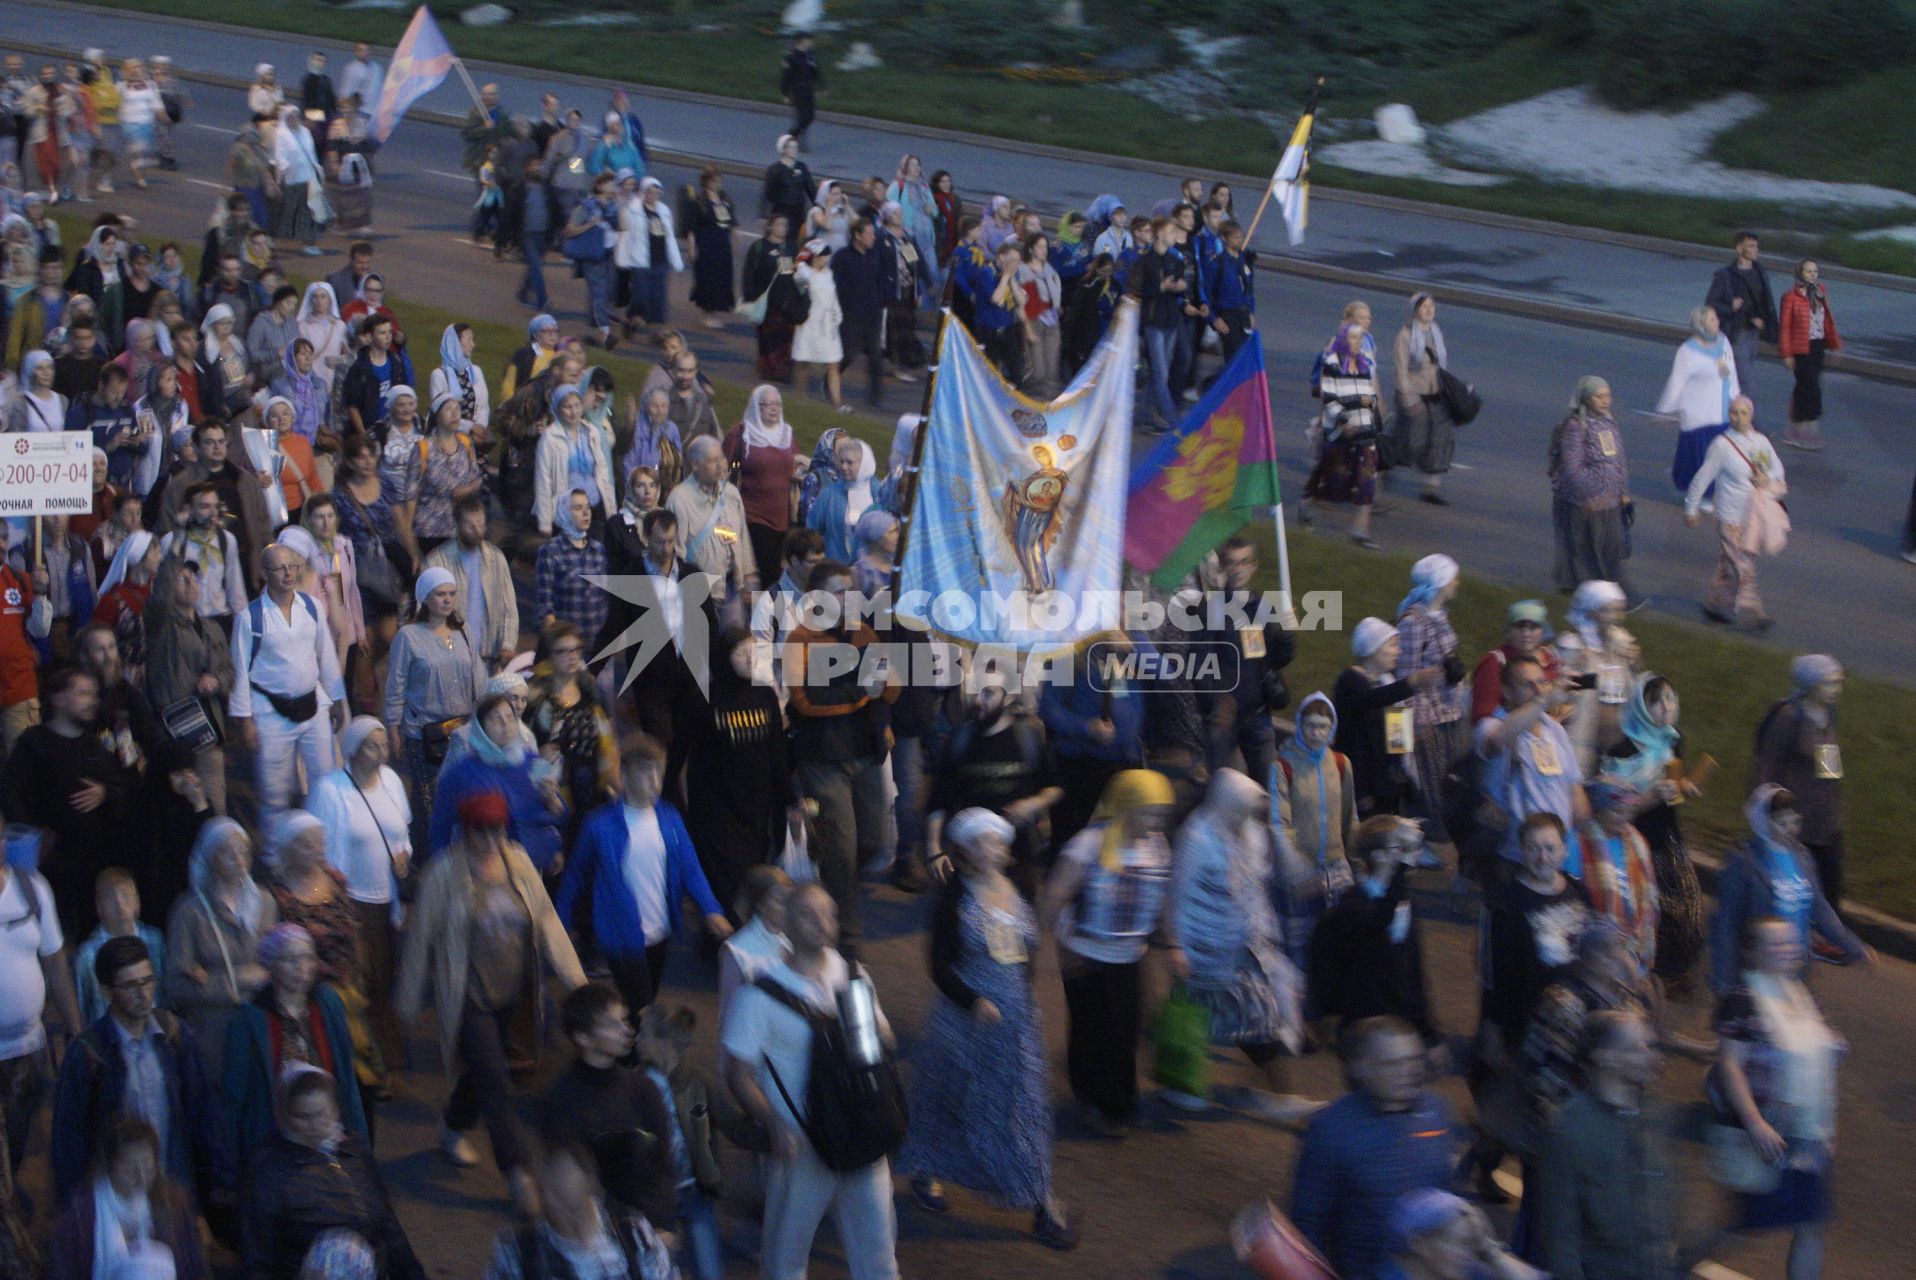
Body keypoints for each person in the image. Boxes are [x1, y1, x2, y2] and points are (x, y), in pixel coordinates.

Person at [895, 808, 1077, 1247]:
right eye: (986, 841)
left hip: (1016, 1022)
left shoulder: (1019, 889)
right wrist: (972, 1001)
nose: (997, 847)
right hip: (964, 1024)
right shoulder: (954, 900)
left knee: (1023, 1108)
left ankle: (1040, 1201)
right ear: (966, 851)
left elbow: (1028, 953)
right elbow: (938, 965)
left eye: (1000, 840)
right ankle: (927, 1172)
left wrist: (1025, 1001)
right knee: (949, 1100)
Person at [398, 790, 585, 1209]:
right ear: (464, 832)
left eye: (494, 829)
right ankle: (518, 1175)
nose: (487, 839)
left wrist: (577, 981)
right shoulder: (443, 875)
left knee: (483, 1074)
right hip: (468, 996)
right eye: (478, 831)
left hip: (512, 994)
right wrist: (408, 1003)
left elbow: (546, 920)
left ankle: (452, 1122)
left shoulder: (518, 863)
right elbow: (420, 939)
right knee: (498, 1084)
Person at [720, 882, 901, 1280]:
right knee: (786, 1260)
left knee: (879, 1258)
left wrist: (869, 1034)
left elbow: (881, 1043)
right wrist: (773, 1123)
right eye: (810, 913)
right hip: (801, 1143)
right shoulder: (759, 996)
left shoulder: (854, 975)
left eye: (831, 913)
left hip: (860, 1137)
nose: (824, 922)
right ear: (786, 922)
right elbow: (739, 1074)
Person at [1170, 769, 1317, 1120]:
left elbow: (1258, 884)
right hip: (1205, 949)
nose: (1245, 816)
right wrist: (1175, 944)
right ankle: (1188, 1085)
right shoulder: (1198, 837)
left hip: (1244, 946)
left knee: (1252, 1017)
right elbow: (1177, 894)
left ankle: (1270, 1093)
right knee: (1220, 1018)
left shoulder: (1251, 832)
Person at [1038, 770, 1179, 1135]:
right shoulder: (1089, 845)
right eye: (1151, 812)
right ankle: (1095, 1103)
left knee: (1125, 1032)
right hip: (1087, 956)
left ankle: (1117, 1100)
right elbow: (1056, 896)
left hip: (1129, 956)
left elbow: (1162, 899)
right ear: (1129, 808)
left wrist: (1173, 944)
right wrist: (1053, 946)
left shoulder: (1156, 845)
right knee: (1092, 1033)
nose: (1157, 821)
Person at [1710, 916, 1845, 1280]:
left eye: (1789, 942)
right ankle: (1676, 1265)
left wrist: (1830, 1045)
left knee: (1809, 1223)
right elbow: (1730, 1066)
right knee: (1744, 1225)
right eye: (1776, 944)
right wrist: (1756, 1124)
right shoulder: (1742, 1000)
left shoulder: (1799, 993)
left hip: (1807, 1133)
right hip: (1771, 1131)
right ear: (1753, 952)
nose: (1788, 949)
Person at [558, 733, 732, 1010]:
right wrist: (560, 923)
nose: (655, 784)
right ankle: (635, 1049)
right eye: (646, 776)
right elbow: (575, 875)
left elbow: (690, 867)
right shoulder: (599, 825)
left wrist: (711, 909)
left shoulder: (670, 817)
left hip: (660, 931)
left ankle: (631, 1046)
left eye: (658, 775)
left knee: (645, 1000)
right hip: (620, 935)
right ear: (625, 778)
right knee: (642, 1006)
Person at [1291, 1017, 1461, 1280]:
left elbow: (1447, 1200)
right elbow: (1307, 1221)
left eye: (1415, 1059)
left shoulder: (1437, 1110)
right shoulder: (1332, 1129)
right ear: (1360, 1069)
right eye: (1393, 1063)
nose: (1410, 1071)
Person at [242, 1066, 423, 1280]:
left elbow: (387, 1223)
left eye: (320, 1114)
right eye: (303, 1116)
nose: (313, 1125)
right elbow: (259, 1256)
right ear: (287, 1117)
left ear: (335, 1110)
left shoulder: (353, 1150)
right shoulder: (270, 1170)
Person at [305, 717, 410, 1081]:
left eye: (383, 745)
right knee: (358, 978)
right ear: (353, 749)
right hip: (351, 900)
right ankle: (363, 1057)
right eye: (372, 746)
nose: (382, 753)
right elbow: (322, 850)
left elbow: (402, 833)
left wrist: (404, 858)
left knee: (383, 975)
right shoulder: (330, 790)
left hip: (385, 900)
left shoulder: (393, 783)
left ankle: (382, 1048)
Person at [0, 667, 136, 937]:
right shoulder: (34, 744)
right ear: (58, 699)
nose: (92, 701)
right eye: (83, 693)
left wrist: (105, 793)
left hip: (93, 864)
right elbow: (10, 791)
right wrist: (31, 836)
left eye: (94, 695)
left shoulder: (96, 749)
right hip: (51, 865)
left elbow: (127, 789)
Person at [1598, 674, 1707, 990]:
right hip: (1635, 839)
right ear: (1641, 706)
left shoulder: (1673, 740)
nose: (1666, 708)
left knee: (1684, 905)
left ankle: (1673, 970)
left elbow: (1673, 795)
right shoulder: (1622, 751)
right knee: (1645, 907)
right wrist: (1654, 794)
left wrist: (1684, 788)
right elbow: (1615, 808)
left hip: (1668, 838)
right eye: (1656, 701)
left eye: (1671, 699)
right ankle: (1642, 972)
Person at [221, 923, 367, 1158]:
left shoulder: (327, 1003)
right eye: (290, 959)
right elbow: (233, 1096)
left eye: (307, 958)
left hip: (327, 1131)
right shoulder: (248, 1019)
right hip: (275, 1137)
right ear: (271, 965)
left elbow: (346, 1078)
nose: (302, 967)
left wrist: (360, 1146)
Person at [1711, 785, 1867, 997]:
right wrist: (1725, 980)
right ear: (1763, 820)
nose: (1790, 829)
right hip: (1756, 978)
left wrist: (1853, 946)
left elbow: (1819, 908)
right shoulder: (1743, 862)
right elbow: (1726, 924)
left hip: (1794, 975)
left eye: (1792, 820)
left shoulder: (1801, 857)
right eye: (1780, 822)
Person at [230, 543, 347, 822]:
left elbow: (326, 654)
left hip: (312, 704)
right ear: (265, 573)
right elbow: (240, 673)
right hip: (270, 712)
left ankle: (326, 843)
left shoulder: (312, 607)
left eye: (292, 566)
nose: (287, 574)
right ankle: (275, 854)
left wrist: (337, 699)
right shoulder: (250, 618)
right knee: (274, 789)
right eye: (280, 568)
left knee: (324, 781)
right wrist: (245, 720)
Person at [684, 627, 795, 916]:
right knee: (724, 877)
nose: (749, 659)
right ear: (724, 656)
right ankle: (722, 935)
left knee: (754, 872)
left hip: (755, 806)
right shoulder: (702, 699)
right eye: (740, 653)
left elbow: (776, 750)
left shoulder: (764, 696)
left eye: (752, 652)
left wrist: (787, 797)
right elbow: (683, 753)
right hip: (717, 808)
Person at [925, 672, 1062, 901]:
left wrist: (1034, 803)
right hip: (969, 856)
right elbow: (939, 799)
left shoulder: (1028, 738)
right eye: (974, 691)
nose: (977, 700)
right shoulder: (960, 740)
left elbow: (1055, 787)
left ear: (1007, 698)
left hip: (1017, 855)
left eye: (988, 693)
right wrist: (933, 847)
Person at [1309, 817, 1440, 1047]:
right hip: (1363, 1029)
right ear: (1378, 855)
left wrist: (1428, 1033)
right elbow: (1376, 921)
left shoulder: (1403, 901)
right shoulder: (1351, 908)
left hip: (1400, 1027)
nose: (1414, 856)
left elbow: (1413, 971)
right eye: (1403, 849)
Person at [384, 566, 487, 849]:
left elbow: (478, 675)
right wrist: (393, 727)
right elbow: (396, 685)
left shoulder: (463, 631)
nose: (447, 600)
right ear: (425, 598)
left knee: (464, 795)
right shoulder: (409, 637)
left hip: (463, 729)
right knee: (429, 803)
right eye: (440, 594)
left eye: (451, 594)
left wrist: (486, 713)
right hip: (424, 733)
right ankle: (429, 861)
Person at [482, 1137, 677, 1280]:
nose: (563, 1209)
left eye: (574, 1205)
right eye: (554, 1195)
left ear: (592, 1186)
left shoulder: (634, 1234)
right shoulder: (517, 1252)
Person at [45, 1117, 211, 1280]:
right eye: (129, 1169)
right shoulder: (80, 1214)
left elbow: (192, 1266)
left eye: (147, 1166)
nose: (141, 1176)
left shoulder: (173, 1203)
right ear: (109, 1166)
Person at [1685, 395, 1786, 630]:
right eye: (1734, 413)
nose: (1739, 418)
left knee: (1729, 564)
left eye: (1744, 413)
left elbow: (1777, 469)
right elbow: (1703, 476)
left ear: (1751, 415)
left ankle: (1712, 604)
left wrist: (1766, 477)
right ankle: (1755, 612)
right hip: (1728, 516)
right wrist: (1691, 507)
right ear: (1728, 415)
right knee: (1743, 566)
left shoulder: (1761, 442)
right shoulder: (1722, 445)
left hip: (1752, 516)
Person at [1474, 656, 1586, 865]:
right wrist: (1544, 701)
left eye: (1542, 682)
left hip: (1556, 854)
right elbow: (1498, 740)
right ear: (1507, 691)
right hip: (1514, 856)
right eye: (1528, 685)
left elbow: (1574, 788)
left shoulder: (1554, 729)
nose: (1538, 690)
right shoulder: (1490, 726)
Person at [1334, 617, 1441, 820]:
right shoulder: (1351, 682)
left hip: (1388, 784)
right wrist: (1411, 683)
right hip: (1365, 787)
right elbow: (1369, 703)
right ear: (1373, 649)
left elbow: (1398, 738)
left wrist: (1411, 741)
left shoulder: (1387, 681)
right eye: (1392, 645)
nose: (1398, 651)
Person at [1302, 321, 1384, 547]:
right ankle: (1307, 503)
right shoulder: (1332, 362)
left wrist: (1369, 413)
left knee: (1367, 476)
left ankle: (1360, 530)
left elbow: (1370, 395)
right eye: (1353, 338)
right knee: (1333, 476)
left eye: (1360, 338)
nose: (1357, 343)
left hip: (1364, 429)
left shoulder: (1365, 363)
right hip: (1338, 429)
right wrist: (1344, 420)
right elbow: (1328, 397)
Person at [1549, 377, 1632, 593]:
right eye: (1599, 396)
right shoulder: (1576, 427)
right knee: (1582, 547)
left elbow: (1618, 460)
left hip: (1610, 499)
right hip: (1583, 501)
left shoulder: (1608, 422)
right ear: (1586, 398)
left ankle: (1610, 588)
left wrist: (1623, 491)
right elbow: (1571, 468)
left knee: (1612, 545)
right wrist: (1589, 495)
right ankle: (1583, 589)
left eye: (1608, 396)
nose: (1605, 401)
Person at [1554, 580, 1638, 776]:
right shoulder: (1573, 647)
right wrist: (1585, 665)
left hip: (1615, 744)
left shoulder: (1620, 643)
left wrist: (1634, 661)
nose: (1618, 617)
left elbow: (1631, 689)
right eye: (1610, 611)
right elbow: (1575, 694)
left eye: (1619, 610)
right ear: (1592, 611)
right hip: (1583, 741)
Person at [1375, 1190, 1546, 1280]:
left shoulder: (1465, 1271)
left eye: (1469, 1243)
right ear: (1421, 1244)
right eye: (1453, 1242)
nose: (1465, 1254)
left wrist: (1489, 1249)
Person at [668, 436, 759, 605]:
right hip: (698, 592)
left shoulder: (731, 493)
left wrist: (748, 573)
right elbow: (676, 550)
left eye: (721, 458)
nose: (720, 466)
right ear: (695, 465)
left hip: (732, 586)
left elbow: (742, 535)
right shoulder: (679, 499)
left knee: (736, 631)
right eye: (712, 461)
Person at [1657, 306, 1738, 495]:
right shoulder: (1687, 351)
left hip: (1722, 411)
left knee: (1720, 456)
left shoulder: (1723, 342)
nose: (1717, 321)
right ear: (1700, 325)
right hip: (1698, 415)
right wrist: (1665, 410)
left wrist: (1736, 397)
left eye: (1716, 317)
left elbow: (1731, 372)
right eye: (1711, 319)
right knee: (1700, 457)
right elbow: (1676, 382)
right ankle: (1701, 495)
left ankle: (1713, 492)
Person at [722, 384, 800, 578]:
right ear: (756, 407)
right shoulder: (741, 434)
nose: (774, 408)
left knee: (777, 572)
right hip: (753, 516)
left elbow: (797, 465)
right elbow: (722, 466)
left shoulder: (787, 435)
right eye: (767, 404)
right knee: (764, 572)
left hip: (783, 519)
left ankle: (766, 606)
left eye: (777, 404)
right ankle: (760, 606)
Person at [1393, 293, 1456, 504]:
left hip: (1436, 392)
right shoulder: (1406, 335)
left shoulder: (1436, 331)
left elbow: (1440, 364)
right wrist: (1408, 398)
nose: (1429, 310)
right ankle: (1382, 468)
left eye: (1432, 306)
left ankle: (1430, 489)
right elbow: (1401, 370)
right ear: (1415, 310)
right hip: (1414, 394)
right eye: (1424, 306)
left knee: (1440, 438)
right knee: (1410, 441)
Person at [1777, 260, 1840, 451]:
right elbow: (1785, 328)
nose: (1813, 274)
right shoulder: (1790, 297)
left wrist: (1834, 344)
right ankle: (1807, 429)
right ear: (1800, 273)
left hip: (1817, 345)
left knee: (1805, 387)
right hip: (1800, 348)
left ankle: (1795, 430)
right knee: (1811, 387)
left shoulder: (1820, 292)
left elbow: (1827, 321)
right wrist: (1787, 354)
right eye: (1808, 271)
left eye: (1815, 271)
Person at [1706, 230, 1778, 395]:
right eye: (1751, 246)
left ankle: (1730, 413)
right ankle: (1752, 420)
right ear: (1739, 249)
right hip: (1736, 332)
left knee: (1738, 378)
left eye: (1757, 246)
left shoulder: (1760, 271)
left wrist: (1766, 323)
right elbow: (1711, 303)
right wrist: (1731, 307)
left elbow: (1764, 301)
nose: (1756, 250)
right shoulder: (1725, 275)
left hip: (1754, 333)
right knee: (1746, 381)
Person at [1469, 600, 1561, 725]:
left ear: (1543, 631)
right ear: (1509, 631)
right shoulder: (1495, 662)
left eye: (1533, 627)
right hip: (1506, 733)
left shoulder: (1549, 658)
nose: (1526, 634)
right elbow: (1484, 717)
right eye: (1519, 627)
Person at [614, 175, 680, 334]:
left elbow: (670, 237)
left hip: (660, 260)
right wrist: (622, 258)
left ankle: (652, 330)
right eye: (650, 192)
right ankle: (632, 319)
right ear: (644, 192)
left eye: (657, 193)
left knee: (658, 298)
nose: (654, 196)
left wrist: (675, 259)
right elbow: (624, 235)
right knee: (640, 296)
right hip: (640, 260)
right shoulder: (632, 210)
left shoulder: (664, 211)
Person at [792, 240, 845, 410]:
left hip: (828, 325)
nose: (826, 258)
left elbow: (833, 294)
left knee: (833, 364)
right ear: (815, 257)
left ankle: (837, 404)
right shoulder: (804, 273)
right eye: (823, 255)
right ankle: (800, 398)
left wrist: (837, 312)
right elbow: (800, 285)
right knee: (803, 362)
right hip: (809, 323)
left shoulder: (828, 273)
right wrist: (801, 265)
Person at [430, 322, 492, 442]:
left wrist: (480, 427)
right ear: (455, 343)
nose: (473, 345)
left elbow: (484, 406)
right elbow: (439, 411)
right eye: (469, 340)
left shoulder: (476, 371)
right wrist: (470, 427)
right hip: (449, 438)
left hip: (476, 437)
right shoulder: (439, 375)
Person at [779, 33, 821, 148]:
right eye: (808, 40)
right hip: (797, 90)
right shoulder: (791, 57)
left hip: (809, 89)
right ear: (802, 41)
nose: (811, 42)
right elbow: (786, 76)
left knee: (811, 115)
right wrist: (785, 93)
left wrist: (821, 86)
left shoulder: (810, 56)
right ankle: (796, 140)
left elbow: (815, 72)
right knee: (801, 116)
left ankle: (793, 136)